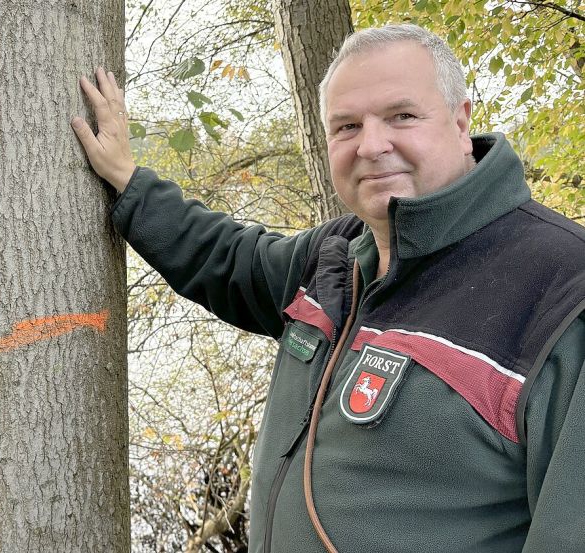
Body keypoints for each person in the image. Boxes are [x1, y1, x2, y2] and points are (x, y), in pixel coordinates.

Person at [71, 24, 585, 552]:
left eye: (401, 116)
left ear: (460, 120)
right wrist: (129, 181)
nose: (371, 145)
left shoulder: (563, 292)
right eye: (346, 127)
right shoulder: (337, 259)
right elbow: (226, 260)